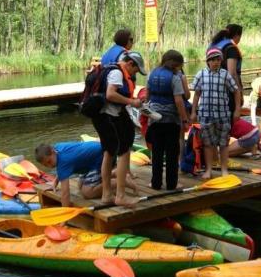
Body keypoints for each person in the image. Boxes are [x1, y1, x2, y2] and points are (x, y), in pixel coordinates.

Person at [92, 52, 146, 208]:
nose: (135, 73)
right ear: (129, 64)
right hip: (109, 118)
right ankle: (120, 196)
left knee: (108, 153)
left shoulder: (112, 70)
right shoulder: (116, 72)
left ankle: (107, 194)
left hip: (103, 118)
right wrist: (131, 102)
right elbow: (110, 94)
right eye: (136, 70)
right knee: (123, 152)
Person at [145, 50, 190, 190]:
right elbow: (179, 100)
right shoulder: (175, 77)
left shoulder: (151, 73)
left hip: (154, 119)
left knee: (157, 153)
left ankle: (156, 183)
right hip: (171, 121)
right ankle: (172, 184)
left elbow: (148, 96)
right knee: (172, 153)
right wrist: (184, 119)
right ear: (175, 65)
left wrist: (148, 115)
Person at [190, 49, 238, 180]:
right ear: (208, 61)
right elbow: (197, 94)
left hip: (223, 115)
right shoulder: (201, 74)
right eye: (213, 60)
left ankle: (224, 169)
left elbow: (236, 91)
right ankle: (209, 170)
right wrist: (194, 112)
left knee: (223, 143)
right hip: (205, 114)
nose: (216, 62)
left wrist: (237, 110)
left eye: (218, 60)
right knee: (207, 143)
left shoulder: (225, 75)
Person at [35, 141, 104, 207]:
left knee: (87, 193)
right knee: (80, 186)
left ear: (53, 152)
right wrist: (55, 183)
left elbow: (65, 194)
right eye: (46, 165)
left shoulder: (64, 161)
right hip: (89, 159)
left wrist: (64, 214)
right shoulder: (57, 148)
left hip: (100, 157)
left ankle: (113, 183)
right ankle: (108, 175)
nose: (49, 166)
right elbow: (61, 170)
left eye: (49, 162)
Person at [209, 24, 244, 122]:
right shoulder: (231, 48)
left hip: (212, 86)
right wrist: (239, 91)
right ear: (237, 35)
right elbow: (232, 73)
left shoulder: (213, 45)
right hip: (227, 91)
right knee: (230, 120)